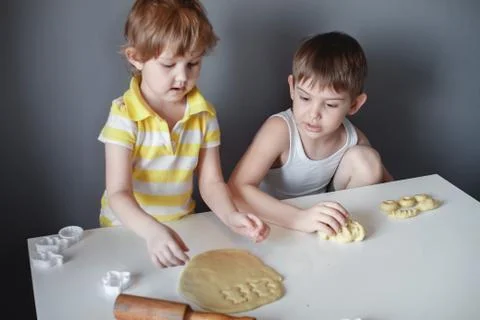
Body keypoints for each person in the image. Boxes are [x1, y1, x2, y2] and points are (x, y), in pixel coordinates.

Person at [97, 0, 269, 268]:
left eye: (193, 64)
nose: (182, 77)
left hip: (182, 226)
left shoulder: (204, 115)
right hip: (127, 232)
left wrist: (231, 215)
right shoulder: (124, 115)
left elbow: (211, 183)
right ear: (136, 58)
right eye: (168, 65)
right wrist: (152, 231)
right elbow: (118, 192)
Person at [228, 31, 393, 237]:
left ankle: (339, 229)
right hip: (270, 221)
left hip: (316, 221)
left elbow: (390, 187)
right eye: (305, 98)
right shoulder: (280, 130)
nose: (314, 114)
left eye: (331, 104)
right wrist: (299, 219)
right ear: (292, 87)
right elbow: (236, 188)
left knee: (367, 161)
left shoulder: (352, 137)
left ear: (354, 104)